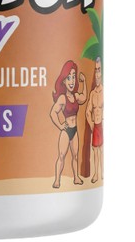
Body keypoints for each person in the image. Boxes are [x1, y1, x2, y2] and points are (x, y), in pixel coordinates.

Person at [50, 60, 87, 188]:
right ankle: (57, 180)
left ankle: (76, 177)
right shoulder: (62, 98)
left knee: (75, 156)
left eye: (73, 77)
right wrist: (60, 125)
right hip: (66, 131)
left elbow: (84, 97)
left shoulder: (75, 96)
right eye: (68, 78)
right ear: (64, 81)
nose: (71, 81)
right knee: (61, 156)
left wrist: (84, 82)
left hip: (74, 130)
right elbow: (53, 113)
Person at [86, 57, 103, 183]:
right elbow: (88, 111)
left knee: (102, 150)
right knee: (96, 151)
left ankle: (102, 174)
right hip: (95, 126)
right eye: (95, 71)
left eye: (99, 70)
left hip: (102, 124)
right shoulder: (92, 94)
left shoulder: (104, 91)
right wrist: (91, 124)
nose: (97, 74)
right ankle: (96, 174)